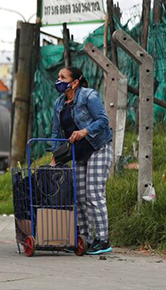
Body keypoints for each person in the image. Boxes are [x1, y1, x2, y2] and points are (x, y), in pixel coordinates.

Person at [51, 66, 113, 255]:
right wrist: (55, 156)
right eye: (58, 77)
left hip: (97, 148)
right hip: (77, 153)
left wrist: (84, 131)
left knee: (94, 194)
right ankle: (84, 239)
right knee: (79, 196)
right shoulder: (59, 103)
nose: (59, 80)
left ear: (75, 82)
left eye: (63, 77)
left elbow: (103, 120)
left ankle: (102, 240)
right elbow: (56, 132)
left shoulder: (89, 96)